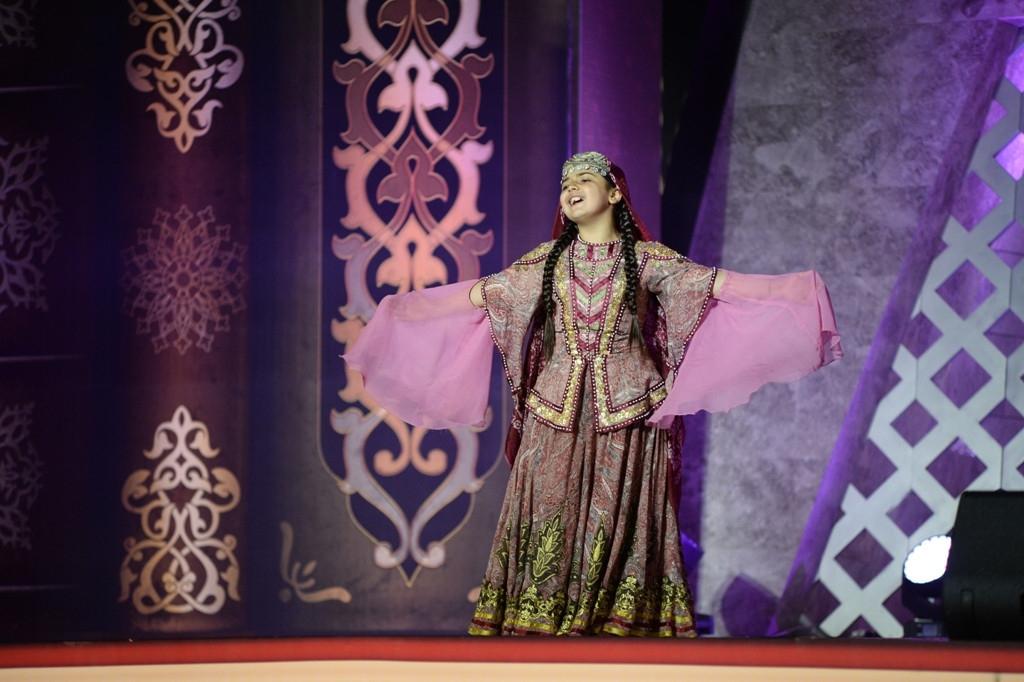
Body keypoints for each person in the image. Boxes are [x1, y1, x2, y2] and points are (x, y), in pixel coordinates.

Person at [345, 151, 842, 637]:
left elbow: (713, 286)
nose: (572, 189)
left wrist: (790, 294)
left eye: (584, 179)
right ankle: (540, 621)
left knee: (619, 517)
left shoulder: (645, 259)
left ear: (615, 192)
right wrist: (403, 311)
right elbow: (481, 295)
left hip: (629, 412)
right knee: (548, 513)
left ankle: (618, 624)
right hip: (554, 412)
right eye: (566, 184)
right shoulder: (546, 262)